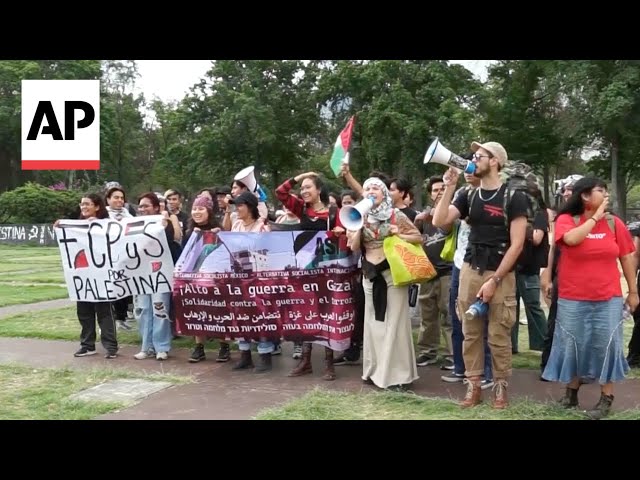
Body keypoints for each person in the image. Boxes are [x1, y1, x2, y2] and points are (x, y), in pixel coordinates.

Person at [432, 141, 528, 409]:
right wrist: (449, 186)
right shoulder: (467, 194)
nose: (473, 159)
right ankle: (473, 387)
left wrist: (495, 280)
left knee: (498, 334)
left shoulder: (514, 196)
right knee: (470, 331)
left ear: (495, 161)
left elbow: (517, 244)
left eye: (479, 155)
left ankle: (500, 389)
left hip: (500, 272)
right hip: (470, 269)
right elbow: (440, 222)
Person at [542, 177, 637, 419]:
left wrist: (633, 292)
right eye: (600, 190)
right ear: (585, 195)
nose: (606, 194)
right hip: (573, 298)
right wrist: (595, 218)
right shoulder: (566, 220)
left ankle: (606, 398)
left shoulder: (615, 224)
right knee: (573, 345)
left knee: (607, 347)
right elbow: (572, 240)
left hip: (608, 298)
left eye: (606, 190)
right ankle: (571, 394)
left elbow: (627, 257)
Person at [346, 177, 422, 390]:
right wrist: (358, 227)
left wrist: (401, 236)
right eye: (367, 187)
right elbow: (353, 247)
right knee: (373, 324)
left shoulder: (395, 214)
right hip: (370, 275)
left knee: (395, 323)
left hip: (392, 273)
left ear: (384, 193)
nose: (371, 190)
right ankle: (374, 371)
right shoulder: (359, 216)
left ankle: (397, 376)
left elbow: (418, 237)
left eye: (376, 188)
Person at [56, 193, 119, 359]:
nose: (83, 207)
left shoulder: (107, 224)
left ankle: (110, 346)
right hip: (83, 277)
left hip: (101, 276)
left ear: (97, 207)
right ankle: (87, 345)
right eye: (82, 204)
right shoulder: (76, 226)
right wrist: (61, 226)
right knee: (84, 312)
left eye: (87, 204)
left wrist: (97, 226)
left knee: (104, 312)